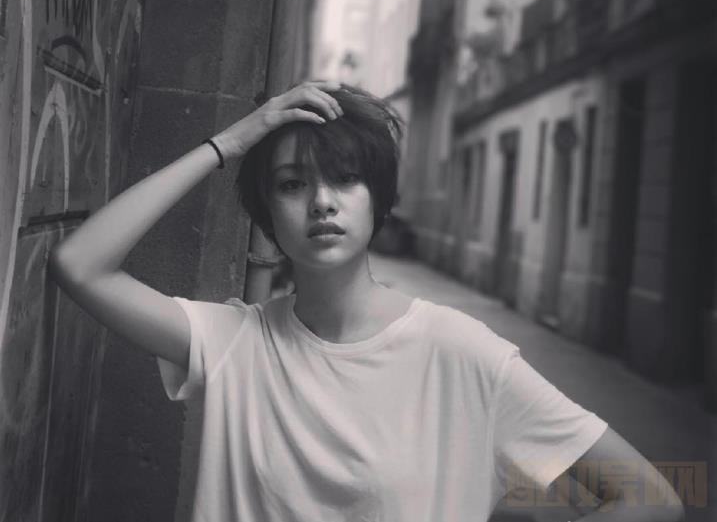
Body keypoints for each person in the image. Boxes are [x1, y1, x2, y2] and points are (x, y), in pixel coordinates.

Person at [49, 81, 684, 522]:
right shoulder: (232, 343)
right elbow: (80, 266)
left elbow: (650, 496)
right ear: (267, 215)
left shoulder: (460, 353)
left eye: (346, 178)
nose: (322, 201)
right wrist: (232, 142)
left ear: (378, 200)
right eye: (293, 185)